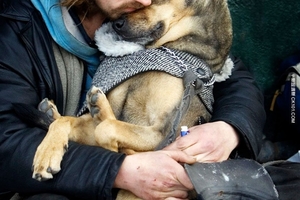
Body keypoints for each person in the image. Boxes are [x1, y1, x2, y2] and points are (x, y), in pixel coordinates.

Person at [0, 0, 266, 199]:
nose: (147, 1)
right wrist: (120, 171)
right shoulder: (16, 32)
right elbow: (7, 145)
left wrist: (229, 129)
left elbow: (231, 75)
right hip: (67, 183)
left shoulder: (145, 24)